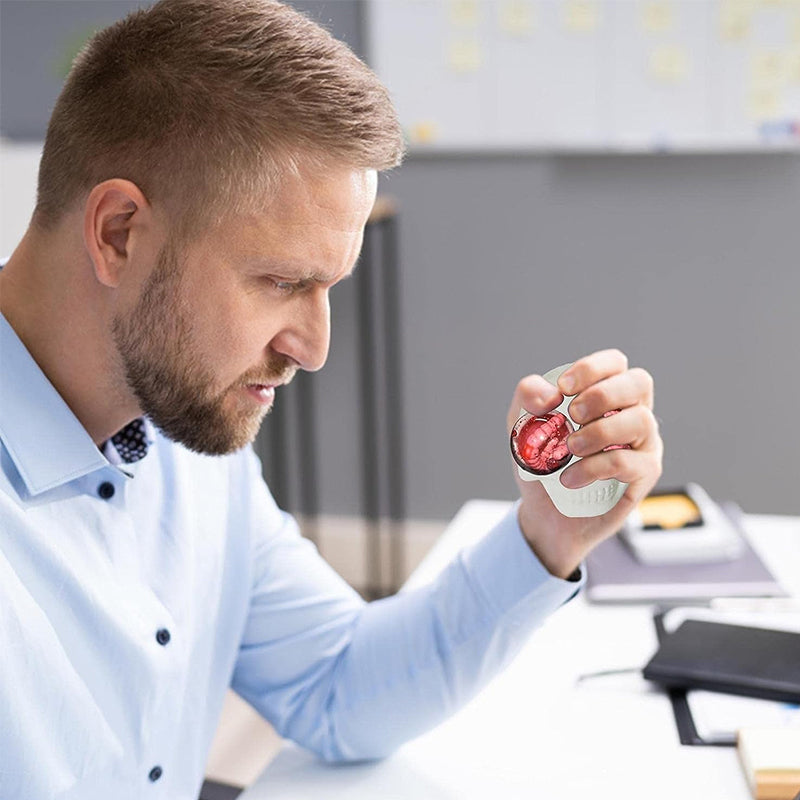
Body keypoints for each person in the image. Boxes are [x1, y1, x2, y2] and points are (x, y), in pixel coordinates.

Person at [0, 1, 663, 798]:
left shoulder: (180, 437)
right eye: (282, 283)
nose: (312, 350)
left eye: (327, 290)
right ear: (118, 233)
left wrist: (547, 535)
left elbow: (335, 687)